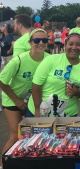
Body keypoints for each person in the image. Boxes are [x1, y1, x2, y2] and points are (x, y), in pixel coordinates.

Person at [0, 28, 50, 168]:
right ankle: (2, 164)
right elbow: (2, 81)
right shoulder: (19, 60)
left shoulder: (48, 58)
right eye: (36, 40)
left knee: (31, 136)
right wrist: (16, 100)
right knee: (16, 135)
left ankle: (24, 163)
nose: (41, 43)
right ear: (30, 42)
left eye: (44, 40)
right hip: (12, 99)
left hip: (31, 101)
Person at [27, 33, 80, 117]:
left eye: (78, 45)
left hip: (68, 115)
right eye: (71, 44)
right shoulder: (51, 60)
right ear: (65, 45)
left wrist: (78, 92)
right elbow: (36, 84)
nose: (74, 48)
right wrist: (37, 109)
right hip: (41, 111)